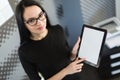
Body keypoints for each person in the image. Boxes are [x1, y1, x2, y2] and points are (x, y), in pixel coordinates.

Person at [15, 0, 85, 80]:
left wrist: (73, 53)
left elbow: (68, 59)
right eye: (31, 20)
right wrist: (66, 71)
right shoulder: (24, 51)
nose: (40, 22)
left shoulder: (58, 30)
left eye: (41, 15)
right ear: (23, 24)